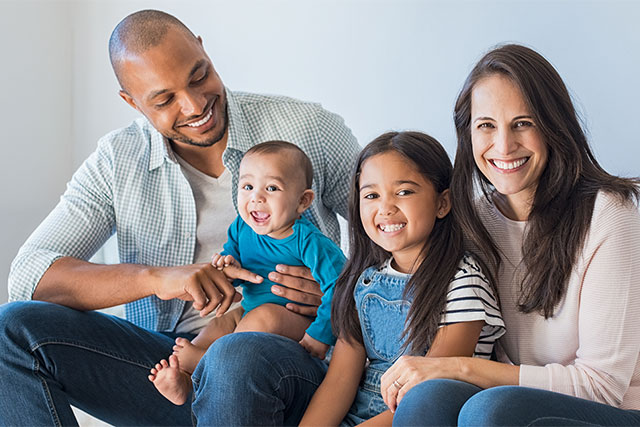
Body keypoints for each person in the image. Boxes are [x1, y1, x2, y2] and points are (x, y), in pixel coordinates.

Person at [0, 9, 359, 426]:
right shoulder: (118, 160)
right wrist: (157, 279)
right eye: (164, 99)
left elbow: (395, 238)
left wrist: (341, 296)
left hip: (286, 357)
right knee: (13, 331)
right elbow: (29, 276)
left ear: (203, 50)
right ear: (131, 102)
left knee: (233, 354)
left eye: (198, 75)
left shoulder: (307, 129)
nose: (194, 104)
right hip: (173, 368)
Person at [388, 44, 640, 426]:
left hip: (613, 412)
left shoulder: (609, 214)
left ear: (553, 126)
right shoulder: (473, 216)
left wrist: (462, 369)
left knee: (490, 408)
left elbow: (602, 387)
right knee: (429, 397)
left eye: (523, 123)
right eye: (486, 125)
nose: (503, 146)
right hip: (505, 404)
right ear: (467, 133)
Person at [298, 131, 505, 426]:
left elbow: (427, 393)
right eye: (371, 195)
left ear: (442, 203)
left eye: (404, 192)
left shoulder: (462, 281)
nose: (385, 207)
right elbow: (339, 382)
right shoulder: (364, 282)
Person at [149, 140, 346, 406]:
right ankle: (186, 379)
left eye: (272, 188)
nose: (256, 197)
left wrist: (320, 335)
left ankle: (205, 362)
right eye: (247, 187)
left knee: (263, 317)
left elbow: (342, 287)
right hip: (249, 315)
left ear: (303, 201)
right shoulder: (242, 227)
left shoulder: (309, 242)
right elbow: (233, 257)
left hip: (295, 322)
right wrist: (226, 265)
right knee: (221, 323)